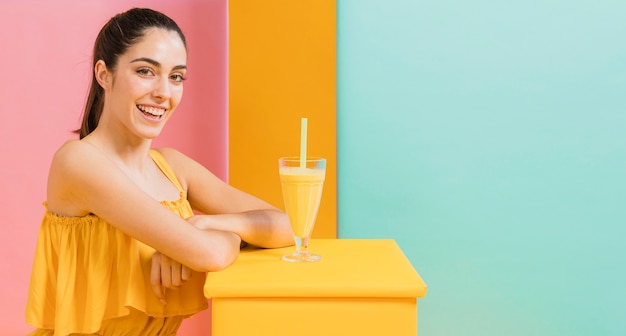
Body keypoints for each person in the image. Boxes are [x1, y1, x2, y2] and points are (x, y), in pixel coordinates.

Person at [25, 7, 294, 335]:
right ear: (104, 74)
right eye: (145, 71)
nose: (164, 92)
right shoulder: (78, 162)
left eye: (176, 76)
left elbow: (287, 226)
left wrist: (207, 223)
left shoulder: (173, 168)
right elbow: (208, 252)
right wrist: (211, 239)